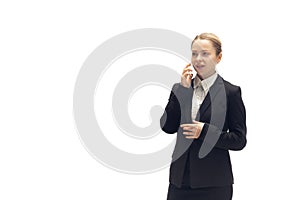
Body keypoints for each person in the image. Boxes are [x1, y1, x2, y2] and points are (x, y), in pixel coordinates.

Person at [160, 33, 247, 200]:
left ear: (218, 57)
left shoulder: (231, 93)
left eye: (205, 53)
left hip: (214, 184)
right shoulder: (181, 88)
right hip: (179, 182)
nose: (198, 59)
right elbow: (167, 127)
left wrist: (204, 131)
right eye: (194, 53)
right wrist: (182, 92)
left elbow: (239, 140)